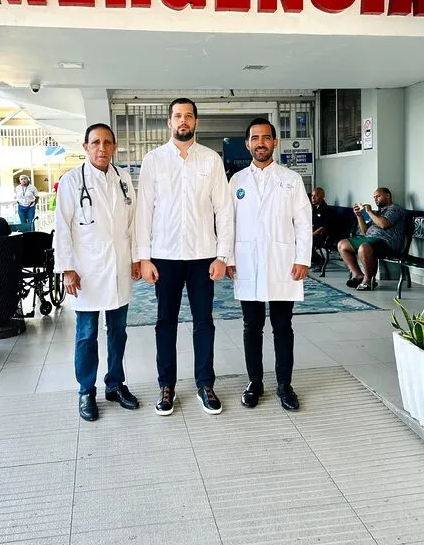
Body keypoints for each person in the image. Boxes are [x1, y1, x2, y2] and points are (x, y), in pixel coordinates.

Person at [136, 98, 233, 416]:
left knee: (204, 322)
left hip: (203, 255)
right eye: (177, 116)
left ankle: (205, 384)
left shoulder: (211, 160)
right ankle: (167, 386)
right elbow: (143, 211)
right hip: (164, 256)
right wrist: (144, 258)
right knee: (165, 323)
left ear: (196, 122)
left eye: (188, 116)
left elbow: (224, 210)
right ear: (169, 122)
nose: (183, 121)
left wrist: (222, 256)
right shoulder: (154, 160)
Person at [54, 123, 140, 421]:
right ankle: (86, 390)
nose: (102, 148)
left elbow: (133, 223)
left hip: (119, 267)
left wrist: (136, 258)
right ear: (86, 147)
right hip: (86, 271)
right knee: (86, 335)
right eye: (95, 143)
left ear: (114, 147)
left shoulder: (123, 179)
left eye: (107, 143)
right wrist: (67, 269)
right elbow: (62, 227)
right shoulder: (71, 181)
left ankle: (115, 384)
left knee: (118, 332)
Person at [227, 118, 312, 412]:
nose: (260, 143)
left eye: (266, 137)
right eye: (255, 138)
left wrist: (302, 259)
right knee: (251, 326)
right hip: (247, 262)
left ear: (275, 143)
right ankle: (255, 383)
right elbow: (228, 224)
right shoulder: (236, 181)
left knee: (282, 326)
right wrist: (228, 258)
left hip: (282, 263)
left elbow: (303, 223)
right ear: (247, 144)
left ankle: (284, 385)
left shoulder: (291, 179)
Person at [338, 187, 406, 291]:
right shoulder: (378, 212)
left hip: (387, 243)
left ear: (388, 195)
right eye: (374, 197)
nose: (375, 199)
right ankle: (358, 275)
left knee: (364, 248)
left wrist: (369, 212)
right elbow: (365, 232)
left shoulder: (395, 208)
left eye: (378, 196)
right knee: (342, 245)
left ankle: (368, 280)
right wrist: (359, 216)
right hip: (370, 239)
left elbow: (383, 224)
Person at [311, 187, 335, 269]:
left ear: (323, 197)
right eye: (312, 195)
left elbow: (322, 227)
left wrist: (311, 235)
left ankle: (319, 261)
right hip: (316, 234)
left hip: (326, 236)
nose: (313, 198)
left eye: (316, 196)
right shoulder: (314, 209)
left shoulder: (326, 210)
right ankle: (314, 260)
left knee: (307, 241)